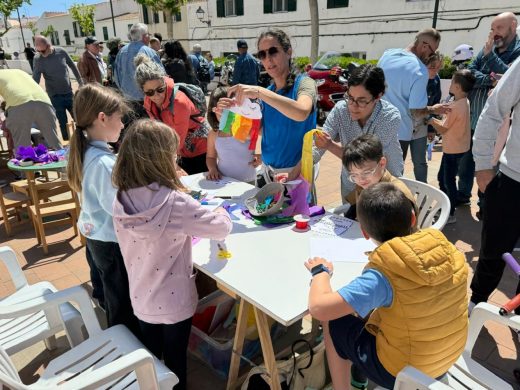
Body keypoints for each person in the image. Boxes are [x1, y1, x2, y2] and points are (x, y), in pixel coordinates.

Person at [305, 182, 468, 390]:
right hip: (447, 358)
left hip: (404, 371)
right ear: (413, 218)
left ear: (364, 232)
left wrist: (320, 272)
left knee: (334, 320)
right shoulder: (447, 249)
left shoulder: (384, 274)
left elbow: (319, 308)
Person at [112, 119, 232, 390]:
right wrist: (220, 210)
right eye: (173, 152)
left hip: (142, 297)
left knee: (152, 362)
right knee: (176, 363)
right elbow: (221, 227)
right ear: (163, 158)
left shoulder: (120, 197)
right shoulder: (175, 202)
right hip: (175, 302)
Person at [66, 84, 139, 336]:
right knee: (121, 302)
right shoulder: (104, 163)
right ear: (102, 118)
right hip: (111, 241)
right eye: (119, 118)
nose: (122, 125)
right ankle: (126, 352)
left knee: (110, 292)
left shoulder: (84, 152)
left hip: (96, 235)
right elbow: (121, 210)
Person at [216, 29, 316, 181]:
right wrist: (229, 116)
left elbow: (301, 112)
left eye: (273, 51)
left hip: (296, 174)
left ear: (288, 52)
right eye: (262, 54)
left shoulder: (304, 83)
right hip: (268, 173)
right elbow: (254, 132)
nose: (267, 59)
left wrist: (259, 92)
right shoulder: (268, 93)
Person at [469, 56, 520, 316]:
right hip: (512, 181)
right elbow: (493, 109)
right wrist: (482, 164)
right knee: (492, 252)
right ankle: (476, 302)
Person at [312, 64, 403, 201]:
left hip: (384, 187)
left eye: (361, 101)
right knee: (350, 220)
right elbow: (319, 145)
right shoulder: (340, 110)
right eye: (350, 97)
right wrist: (296, 171)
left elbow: (365, 160)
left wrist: (329, 145)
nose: (353, 106)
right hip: (351, 185)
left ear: (378, 96)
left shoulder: (390, 117)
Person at [458, 12, 520, 208]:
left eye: (499, 28)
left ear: (513, 25)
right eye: (492, 29)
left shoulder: (516, 51)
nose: (494, 34)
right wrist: (490, 78)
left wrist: (490, 58)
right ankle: (463, 196)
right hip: (476, 119)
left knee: (492, 168)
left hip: (501, 128)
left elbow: (508, 77)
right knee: (469, 163)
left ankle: (487, 205)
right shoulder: (488, 48)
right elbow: (469, 74)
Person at [377, 28, 449, 183]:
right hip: (400, 132)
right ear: (424, 45)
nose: (430, 56)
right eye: (432, 51)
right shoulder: (419, 70)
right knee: (393, 180)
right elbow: (417, 111)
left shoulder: (387, 54)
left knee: (375, 173)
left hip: (376, 126)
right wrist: (433, 109)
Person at [135, 54, 208, 174]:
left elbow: (178, 138)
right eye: (150, 92)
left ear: (165, 80)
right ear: (143, 91)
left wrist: (167, 162)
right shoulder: (148, 100)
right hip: (176, 151)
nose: (156, 96)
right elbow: (158, 130)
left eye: (160, 89)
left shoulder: (179, 102)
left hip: (199, 148)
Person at [428, 70, 475, 224]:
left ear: (458, 87)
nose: (451, 84)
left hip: (452, 150)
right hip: (459, 147)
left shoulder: (456, 107)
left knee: (447, 181)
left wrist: (430, 119)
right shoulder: (464, 101)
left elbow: (442, 129)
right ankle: (446, 206)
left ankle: (449, 212)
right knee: (444, 178)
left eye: (453, 82)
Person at [341, 134, 416, 220]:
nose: (360, 179)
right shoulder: (366, 184)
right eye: (354, 175)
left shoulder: (396, 195)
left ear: (382, 163)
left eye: (366, 172)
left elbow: (403, 229)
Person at [33, 35, 84, 141]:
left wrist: (80, 81)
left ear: (48, 45)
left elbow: (72, 66)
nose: (41, 54)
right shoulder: (38, 59)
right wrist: (33, 94)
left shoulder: (61, 52)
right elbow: (36, 79)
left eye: (43, 51)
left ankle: (82, 140)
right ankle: (67, 144)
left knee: (79, 118)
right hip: (55, 96)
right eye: (39, 51)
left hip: (69, 93)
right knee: (62, 122)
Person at [0, 69, 61, 151]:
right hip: (44, 102)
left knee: (24, 151)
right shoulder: (18, 71)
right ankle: (63, 162)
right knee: (54, 144)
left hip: (18, 104)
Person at [206, 86, 258, 182]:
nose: (225, 116)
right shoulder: (213, 134)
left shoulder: (245, 128)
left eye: (230, 112)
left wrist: (259, 154)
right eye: (221, 112)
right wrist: (212, 169)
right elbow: (210, 157)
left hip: (247, 181)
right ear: (214, 112)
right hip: (223, 180)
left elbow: (259, 139)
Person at [114, 23, 162, 117]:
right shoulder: (149, 52)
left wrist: (124, 92)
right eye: (148, 34)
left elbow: (116, 76)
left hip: (127, 101)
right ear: (144, 37)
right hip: (147, 101)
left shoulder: (121, 52)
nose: (149, 37)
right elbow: (161, 76)